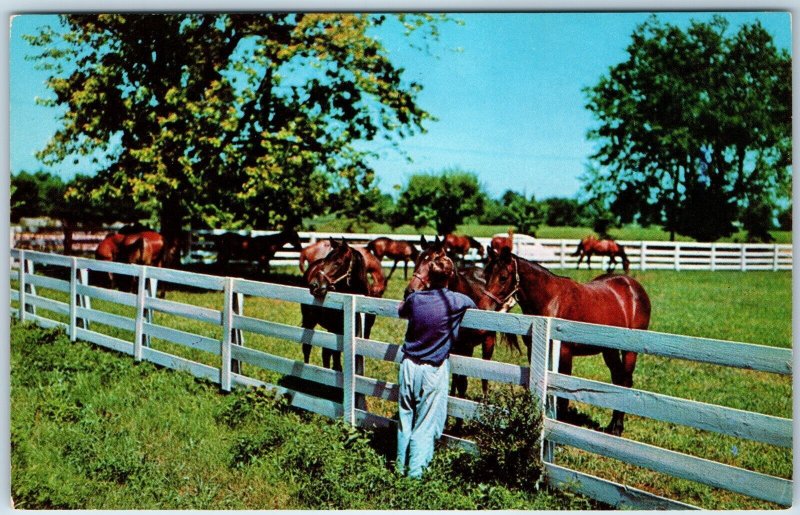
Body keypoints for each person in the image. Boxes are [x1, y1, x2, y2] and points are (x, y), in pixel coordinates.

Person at [395, 256, 476, 478]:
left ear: (428, 276)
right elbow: (475, 306)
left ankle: (399, 467)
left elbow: (401, 309)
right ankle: (415, 476)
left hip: (408, 364)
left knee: (405, 419)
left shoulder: (415, 299)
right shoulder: (458, 302)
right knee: (425, 423)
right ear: (451, 276)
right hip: (432, 369)